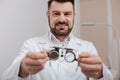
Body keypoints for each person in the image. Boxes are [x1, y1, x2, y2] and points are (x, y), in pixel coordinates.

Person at [2, 0, 113, 80]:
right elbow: (6, 77)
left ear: (74, 15)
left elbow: (108, 78)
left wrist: (100, 73)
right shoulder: (31, 45)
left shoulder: (87, 47)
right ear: (48, 16)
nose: (61, 19)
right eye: (56, 14)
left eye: (67, 14)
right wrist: (22, 68)